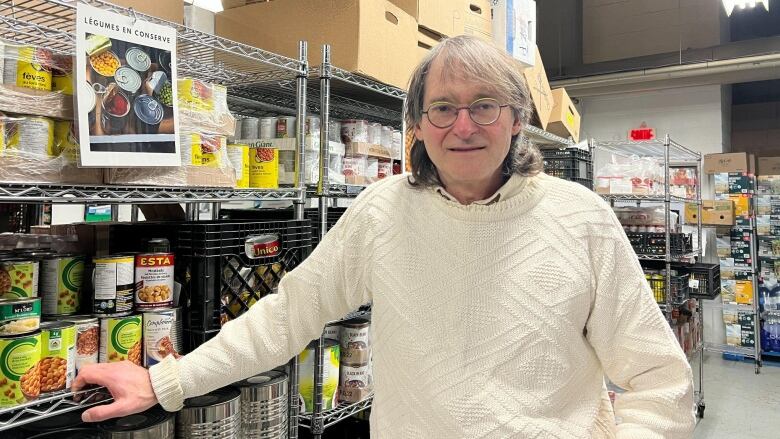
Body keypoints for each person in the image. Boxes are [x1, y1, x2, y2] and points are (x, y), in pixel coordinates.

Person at [73, 35, 695, 438]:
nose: (463, 125)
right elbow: (288, 315)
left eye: (485, 105)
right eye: (443, 107)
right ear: (417, 127)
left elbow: (660, 379)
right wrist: (165, 381)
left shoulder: (581, 218)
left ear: (517, 119)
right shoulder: (381, 213)